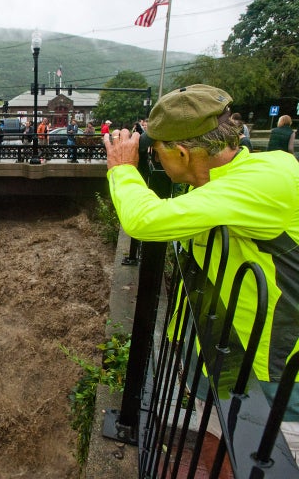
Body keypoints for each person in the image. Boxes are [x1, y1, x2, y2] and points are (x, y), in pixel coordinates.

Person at [104, 84, 299, 471]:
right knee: (217, 444)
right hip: (218, 348)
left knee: (263, 464)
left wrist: (124, 170)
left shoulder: (258, 184)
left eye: (156, 152)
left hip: (271, 373)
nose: (153, 159)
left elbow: (144, 221)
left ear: (180, 152)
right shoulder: (238, 176)